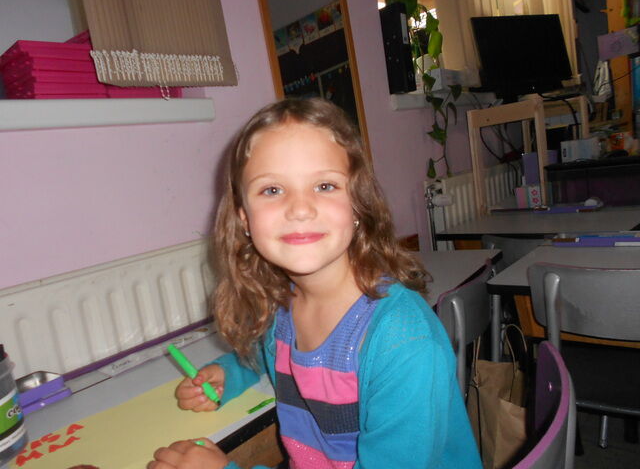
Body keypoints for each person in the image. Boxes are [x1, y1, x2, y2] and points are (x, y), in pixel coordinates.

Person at [147, 98, 482, 469]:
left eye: (324, 185)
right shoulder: (281, 305)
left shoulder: (403, 343)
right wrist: (230, 373)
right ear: (244, 219)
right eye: (272, 190)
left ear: (358, 205)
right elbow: (268, 351)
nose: (300, 209)